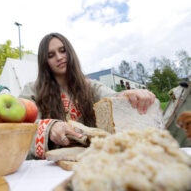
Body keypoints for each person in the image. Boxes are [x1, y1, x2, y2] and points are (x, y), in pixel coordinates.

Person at [19, 32, 156, 159]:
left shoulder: (90, 86)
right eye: (51, 55)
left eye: (62, 51)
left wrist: (128, 94)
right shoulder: (33, 90)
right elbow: (19, 126)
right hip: (50, 167)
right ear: (45, 62)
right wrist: (48, 128)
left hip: (94, 161)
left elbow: (110, 97)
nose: (59, 57)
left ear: (70, 52)